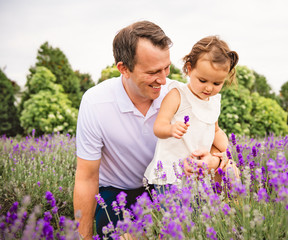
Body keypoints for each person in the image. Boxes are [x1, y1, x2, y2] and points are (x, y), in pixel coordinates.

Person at [73, 21, 225, 240]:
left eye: (166, 68)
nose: (163, 80)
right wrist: (84, 238)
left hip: (168, 185)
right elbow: (86, 178)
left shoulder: (180, 94)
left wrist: (214, 161)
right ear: (123, 69)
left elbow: (214, 141)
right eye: (153, 72)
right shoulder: (96, 103)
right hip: (119, 191)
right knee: (120, 234)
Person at [144, 36, 239, 191]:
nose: (209, 88)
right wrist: (170, 129)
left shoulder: (213, 101)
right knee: (173, 213)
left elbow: (215, 131)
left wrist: (227, 152)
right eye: (202, 80)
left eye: (217, 83)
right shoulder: (177, 95)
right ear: (189, 69)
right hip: (169, 174)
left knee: (197, 213)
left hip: (197, 174)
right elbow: (159, 126)